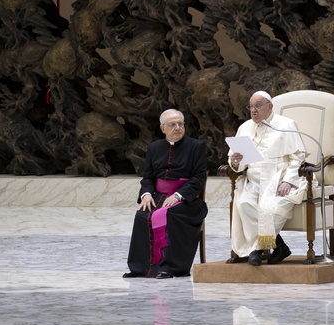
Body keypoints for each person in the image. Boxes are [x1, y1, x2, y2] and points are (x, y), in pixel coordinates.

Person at [124, 109, 208, 279]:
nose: (177, 128)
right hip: (158, 196)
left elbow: (199, 178)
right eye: (172, 125)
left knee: (171, 214)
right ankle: (142, 269)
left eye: (180, 124)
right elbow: (148, 177)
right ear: (163, 128)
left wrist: (178, 195)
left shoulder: (196, 146)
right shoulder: (154, 148)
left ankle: (171, 268)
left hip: (186, 199)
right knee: (142, 215)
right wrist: (146, 194)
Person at [227, 91, 307, 266]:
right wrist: (234, 161)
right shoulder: (245, 127)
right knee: (244, 203)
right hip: (252, 179)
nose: (253, 111)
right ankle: (279, 245)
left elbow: (297, 158)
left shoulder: (285, 124)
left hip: (279, 178)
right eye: (251, 106)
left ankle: (257, 250)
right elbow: (235, 161)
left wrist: (288, 180)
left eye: (258, 106)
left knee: (273, 207)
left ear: (269, 107)